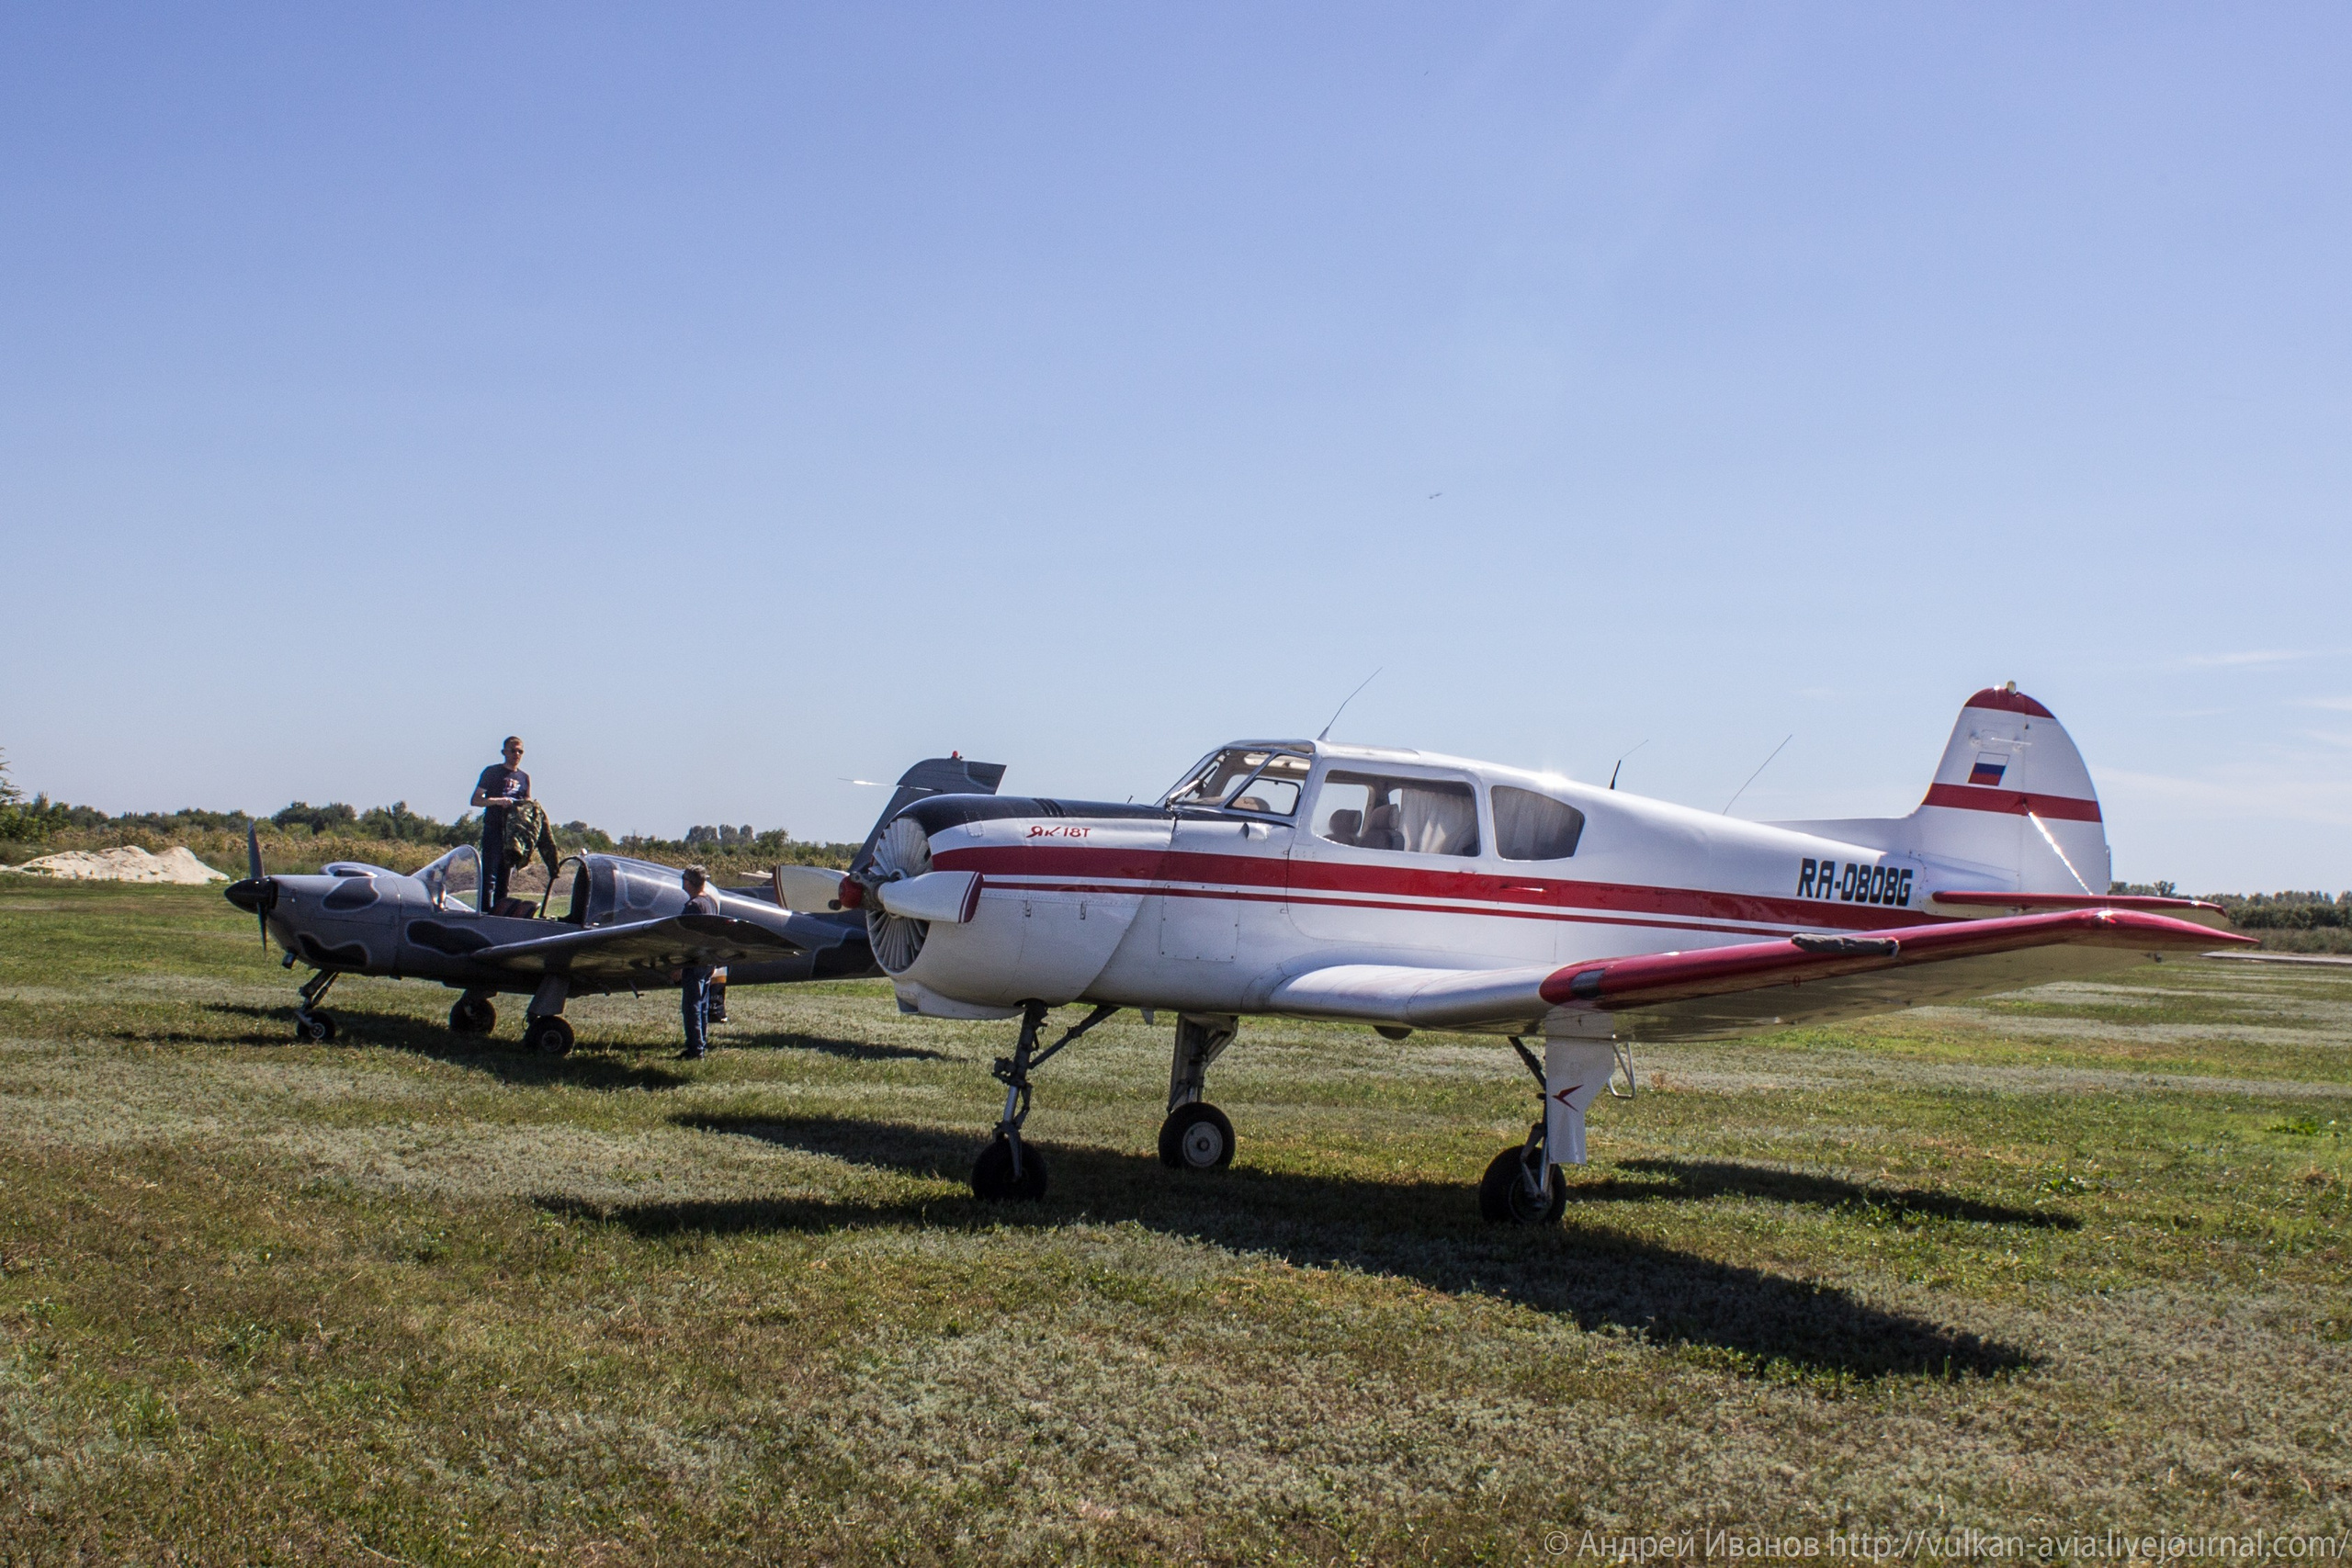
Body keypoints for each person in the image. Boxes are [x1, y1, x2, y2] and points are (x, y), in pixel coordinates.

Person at [470, 737, 530, 911]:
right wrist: (498, 801)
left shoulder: (524, 777)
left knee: (505, 877)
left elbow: (526, 806)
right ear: (504, 752)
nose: (516, 754)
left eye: (520, 751)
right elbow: (475, 800)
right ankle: (484, 911)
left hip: (511, 834)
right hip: (493, 828)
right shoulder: (492, 772)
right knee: (489, 875)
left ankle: (499, 912)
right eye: (513, 751)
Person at [676, 865, 719, 1060]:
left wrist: (679, 965)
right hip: (707, 961)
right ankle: (700, 1045)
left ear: (688, 882)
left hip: (694, 962)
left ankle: (695, 1050)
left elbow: (686, 939)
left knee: (691, 1006)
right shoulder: (709, 902)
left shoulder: (693, 906)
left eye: (684, 879)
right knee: (701, 1005)